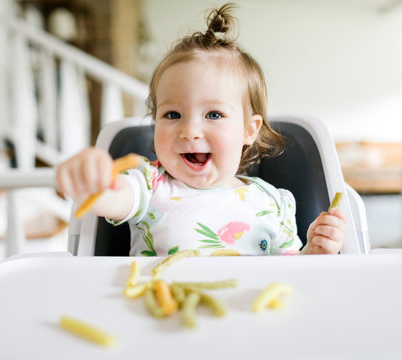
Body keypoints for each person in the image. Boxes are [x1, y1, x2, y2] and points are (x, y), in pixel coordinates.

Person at [56, 3, 345, 256]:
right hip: (162, 311)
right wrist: (89, 181)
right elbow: (112, 197)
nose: (190, 130)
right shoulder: (148, 185)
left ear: (249, 129)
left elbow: (292, 274)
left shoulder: (273, 202)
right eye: (172, 114)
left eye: (214, 114)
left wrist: (315, 251)